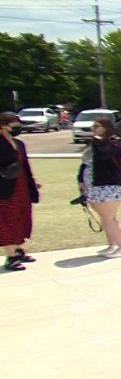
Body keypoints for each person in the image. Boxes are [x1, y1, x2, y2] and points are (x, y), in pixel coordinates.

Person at [81, 118, 121, 257]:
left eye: (97, 126)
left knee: (110, 217)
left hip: (109, 186)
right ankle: (113, 244)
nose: (94, 129)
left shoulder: (114, 143)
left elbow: (104, 155)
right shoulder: (94, 145)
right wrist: (81, 182)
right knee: (105, 218)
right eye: (93, 126)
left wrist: (96, 141)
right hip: (95, 186)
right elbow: (85, 164)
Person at [0, 112, 39, 272]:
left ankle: (19, 249)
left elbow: (25, 166)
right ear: (3, 126)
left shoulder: (19, 144)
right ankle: (11, 256)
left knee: (22, 218)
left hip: (22, 186)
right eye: (14, 125)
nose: (17, 128)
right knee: (6, 220)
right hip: (5, 188)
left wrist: (33, 184)